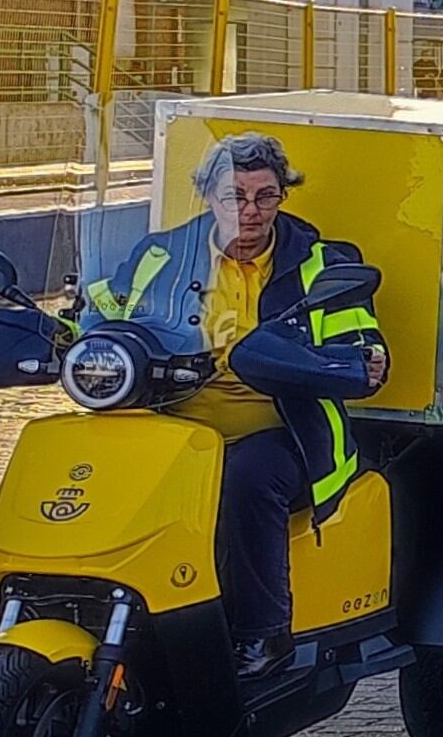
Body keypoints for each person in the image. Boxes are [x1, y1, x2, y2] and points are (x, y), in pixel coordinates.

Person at [83, 132, 387, 664]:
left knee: (247, 478)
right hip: (169, 426)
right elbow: (102, 309)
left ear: (281, 196)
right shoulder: (161, 255)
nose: (248, 211)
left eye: (264, 196)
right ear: (208, 197)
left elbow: (358, 340)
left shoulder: (318, 263)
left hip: (284, 430)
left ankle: (264, 632)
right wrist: (66, 333)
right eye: (233, 196)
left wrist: (361, 360)